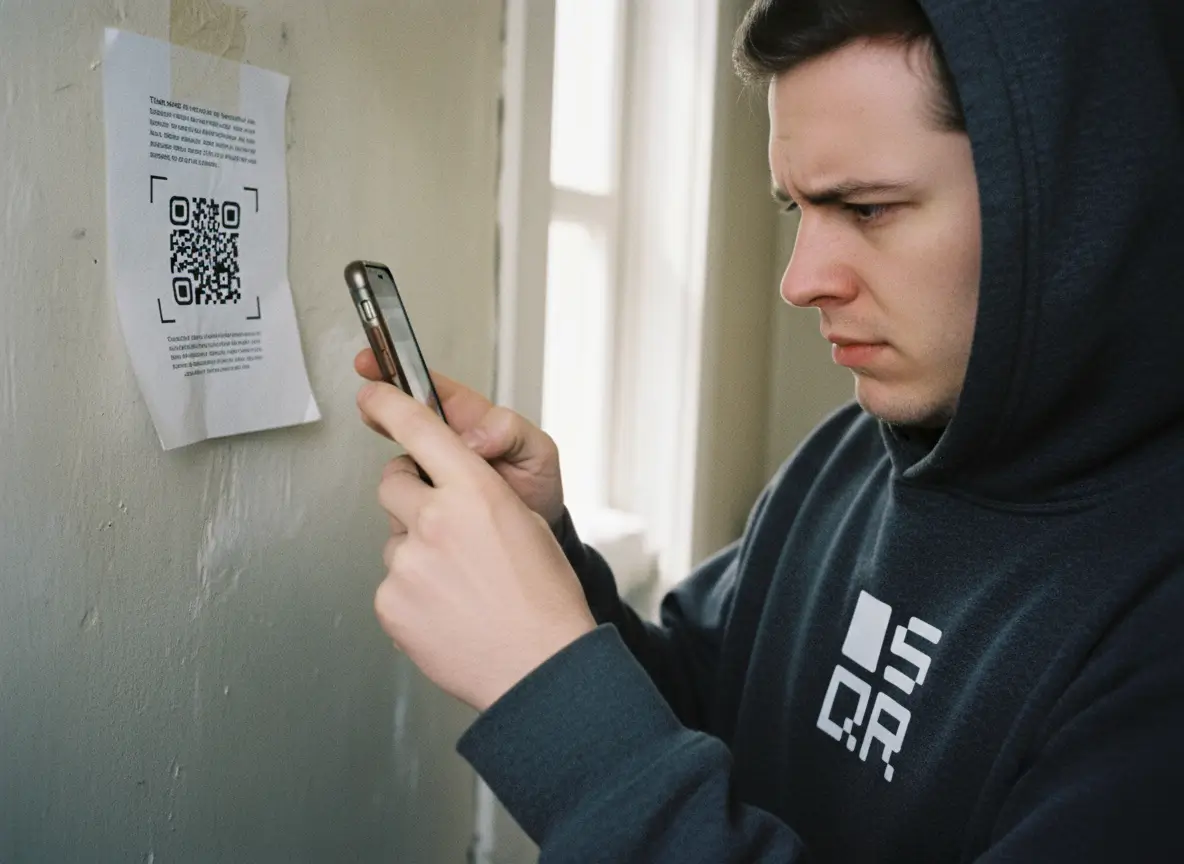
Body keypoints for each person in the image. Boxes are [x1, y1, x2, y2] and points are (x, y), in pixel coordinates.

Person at [353, 0, 1184, 859]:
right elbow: (707, 713)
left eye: (866, 208)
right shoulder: (845, 457)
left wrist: (547, 691)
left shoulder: (1158, 619)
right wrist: (547, 566)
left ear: (1076, 201)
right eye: (797, 210)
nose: (800, 281)